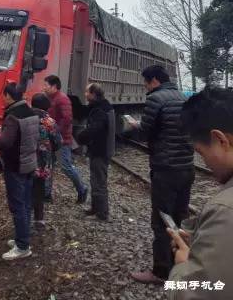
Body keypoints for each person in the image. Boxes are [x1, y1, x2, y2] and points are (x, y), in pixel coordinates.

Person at [165, 87, 233, 299]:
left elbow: (203, 292)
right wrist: (207, 238)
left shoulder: (225, 210)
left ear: (221, 140)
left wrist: (184, 265)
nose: (204, 162)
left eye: (201, 153)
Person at [130, 65, 194, 284]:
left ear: (154, 80)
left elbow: (144, 133)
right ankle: (180, 261)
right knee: (179, 217)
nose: (145, 87)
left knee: (161, 221)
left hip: (165, 169)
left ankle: (160, 272)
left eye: (146, 82)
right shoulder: (183, 97)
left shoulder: (155, 99)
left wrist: (134, 125)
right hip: (187, 167)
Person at [0, 83, 38, 260]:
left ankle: (22, 246)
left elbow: (5, 142)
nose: (3, 99)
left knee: (17, 206)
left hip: (15, 165)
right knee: (26, 204)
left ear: (9, 96)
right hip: (29, 163)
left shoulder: (13, 117)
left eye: (4, 95)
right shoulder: (31, 112)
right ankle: (23, 237)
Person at [43, 75, 88, 204]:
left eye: (46, 85)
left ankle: (82, 189)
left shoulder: (62, 99)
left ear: (54, 86)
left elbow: (67, 119)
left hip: (61, 139)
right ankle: (46, 194)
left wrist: (56, 131)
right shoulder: (50, 98)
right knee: (48, 165)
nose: (44, 88)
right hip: (51, 138)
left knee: (66, 166)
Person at [77, 83, 115, 221]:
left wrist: (81, 136)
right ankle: (95, 208)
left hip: (100, 150)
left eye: (87, 92)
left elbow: (95, 129)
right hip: (99, 149)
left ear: (93, 94)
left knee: (99, 182)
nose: (85, 94)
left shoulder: (100, 110)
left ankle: (102, 214)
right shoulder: (102, 106)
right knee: (95, 180)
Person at [30, 93, 61, 228]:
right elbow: (57, 142)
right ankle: (39, 219)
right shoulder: (50, 122)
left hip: (26, 160)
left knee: (25, 189)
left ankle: (25, 219)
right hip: (43, 162)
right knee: (39, 190)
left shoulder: (24, 117)